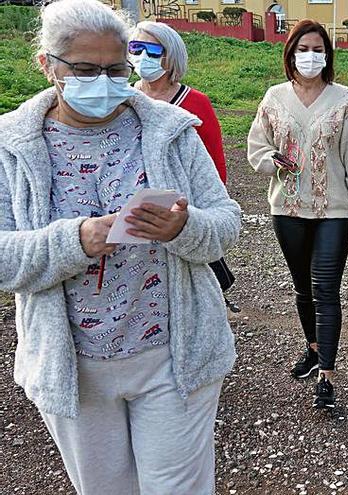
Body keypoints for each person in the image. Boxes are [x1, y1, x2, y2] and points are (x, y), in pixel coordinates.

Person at [0, 0, 241, 492]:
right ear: (48, 64)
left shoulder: (168, 130)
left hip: (173, 359)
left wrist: (183, 228)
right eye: (86, 69)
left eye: (115, 68)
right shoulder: (12, 146)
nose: (105, 81)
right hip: (75, 370)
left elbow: (226, 222)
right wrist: (74, 241)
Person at [247, 19, 348, 411]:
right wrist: (272, 160)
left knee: (325, 289)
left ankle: (327, 375)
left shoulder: (344, 99)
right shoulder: (273, 98)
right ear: (290, 54)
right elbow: (256, 147)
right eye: (303, 49)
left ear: (328, 55)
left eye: (318, 49)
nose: (310, 56)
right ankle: (313, 347)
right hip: (287, 209)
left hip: (334, 211)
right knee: (302, 288)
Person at [129, 21, 240, 313]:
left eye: (153, 51)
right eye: (136, 48)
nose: (143, 58)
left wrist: (206, 213)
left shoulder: (196, 103)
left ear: (171, 56)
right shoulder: (125, 99)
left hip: (181, 209)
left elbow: (215, 165)